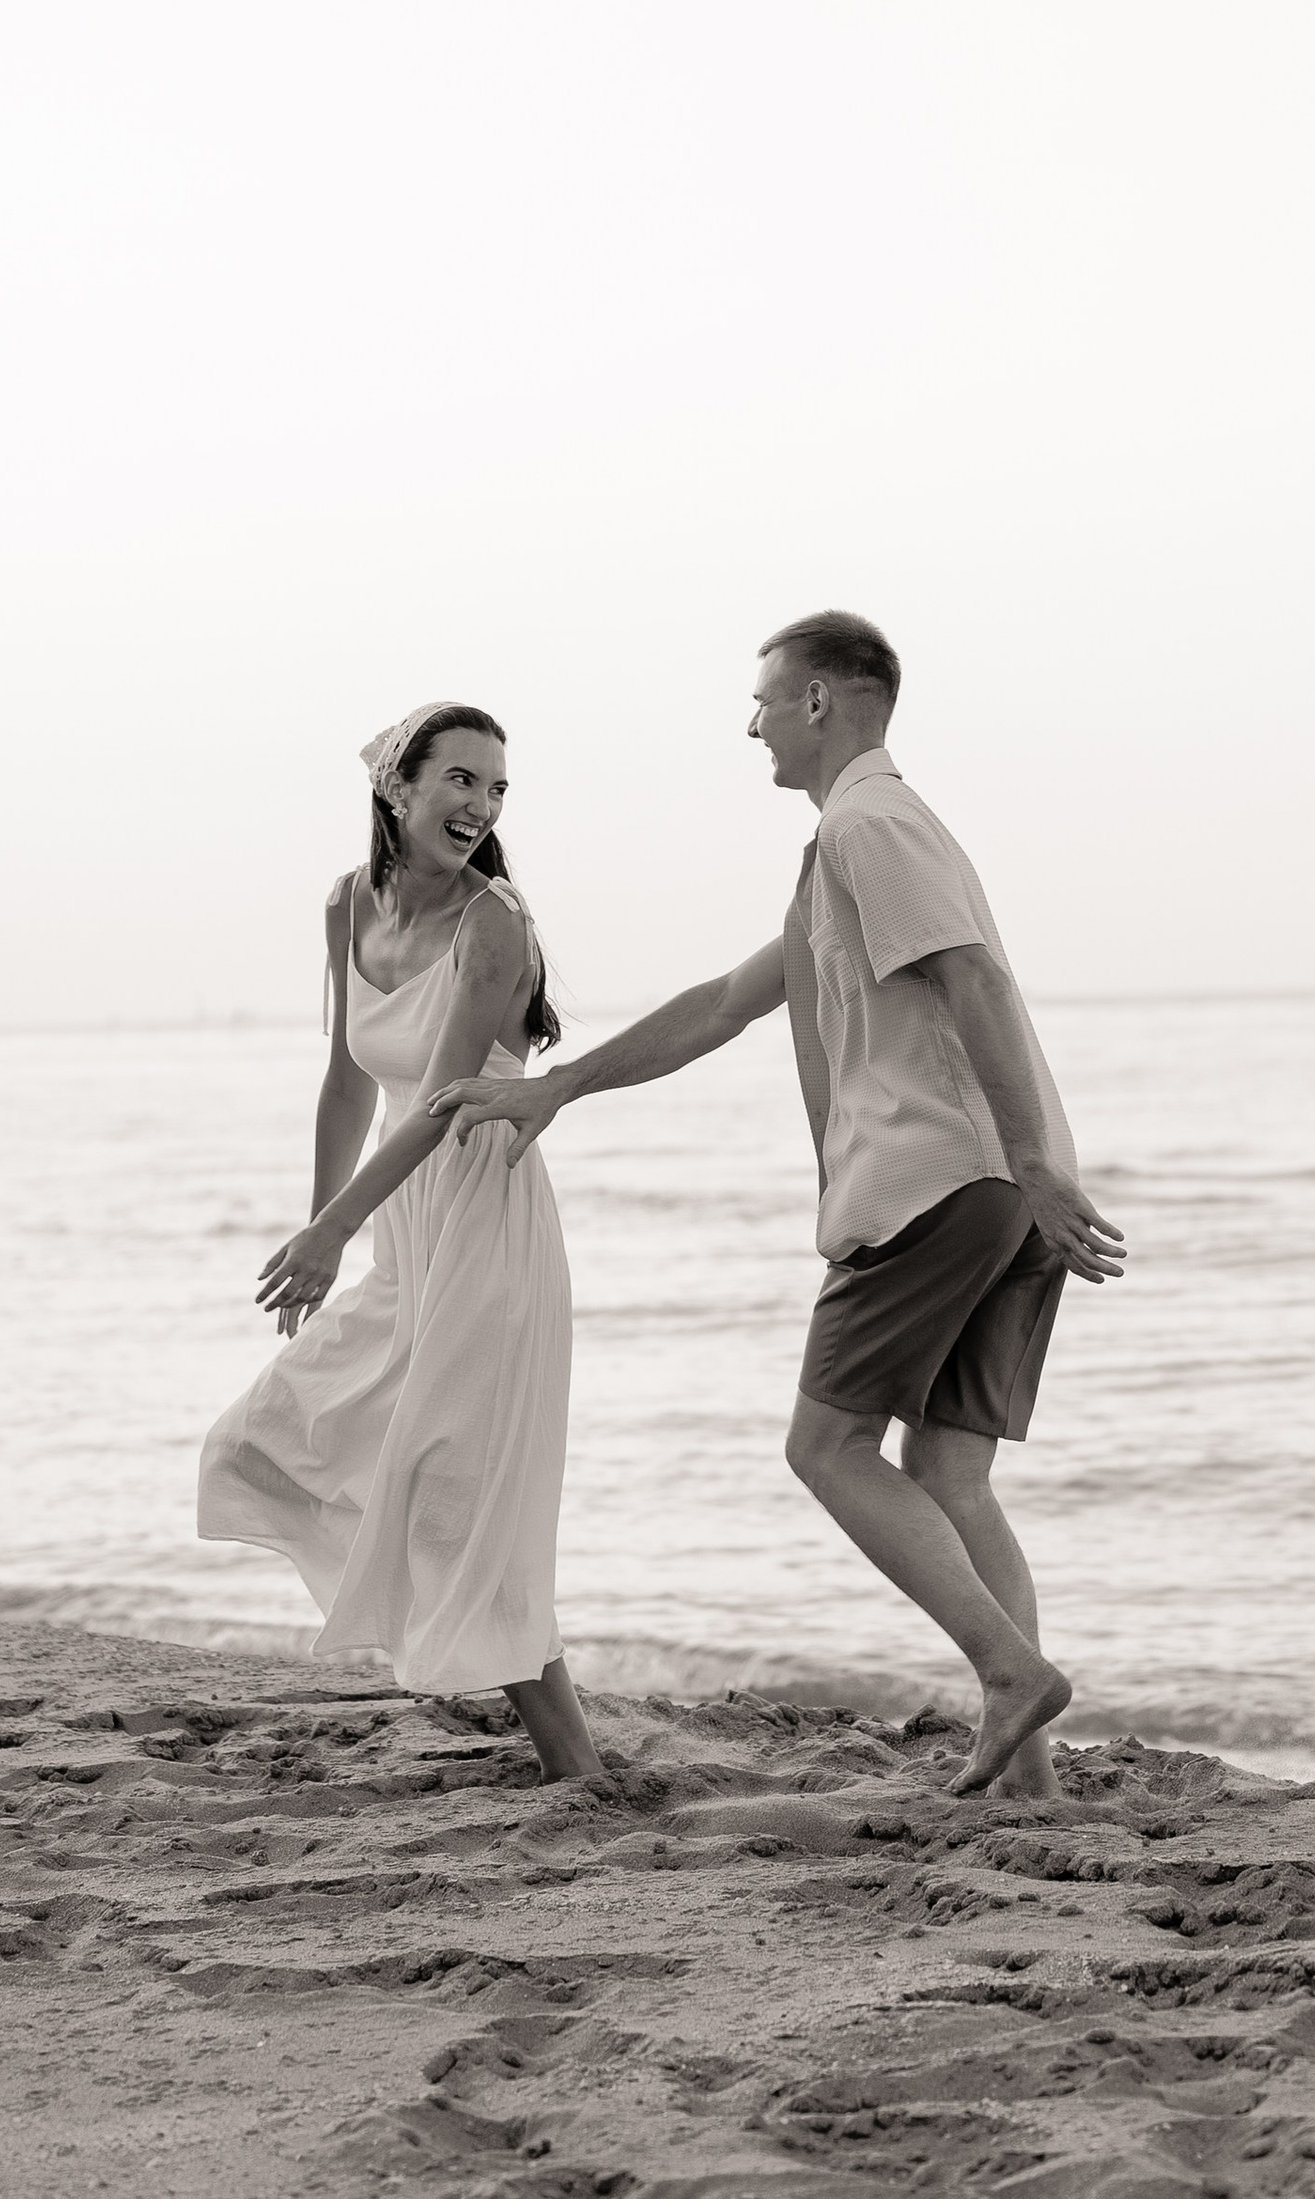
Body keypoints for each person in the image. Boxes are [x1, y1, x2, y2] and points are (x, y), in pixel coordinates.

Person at [436, 614, 1122, 1795]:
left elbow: (974, 979)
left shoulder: (870, 823)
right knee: (950, 1477)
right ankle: (1033, 1780)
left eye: (763, 698)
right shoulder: (846, 849)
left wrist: (1031, 1162)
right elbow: (721, 1002)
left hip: (938, 1184)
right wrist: (561, 1085)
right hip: (1000, 1186)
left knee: (826, 1446)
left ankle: (1009, 1672)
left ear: (818, 703)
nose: (749, 720)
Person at [197, 702, 604, 1784]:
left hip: (484, 1216)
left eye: (497, 789)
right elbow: (345, 1079)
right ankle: (561, 1746)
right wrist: (319, 1227)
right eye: (460, 780)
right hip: (402, 1230)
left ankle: (575, 1764)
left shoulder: (494, 922)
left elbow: (436, 1106)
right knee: (268, 1437)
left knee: (457, 1490)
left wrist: (335, 1229)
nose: (479, 806)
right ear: (397, 787)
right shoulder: (347, 904)